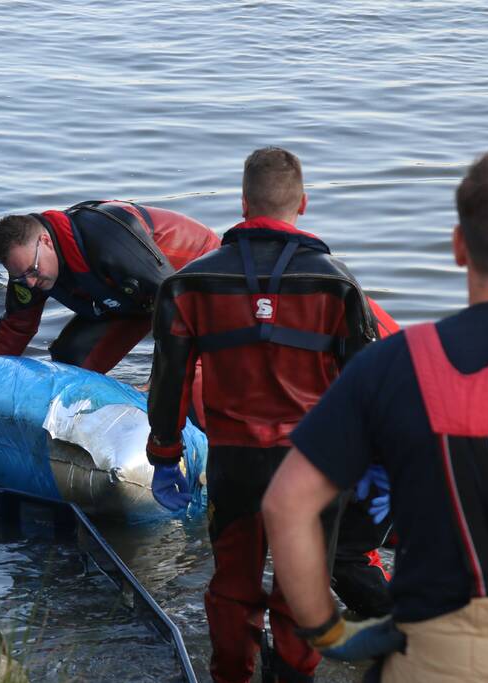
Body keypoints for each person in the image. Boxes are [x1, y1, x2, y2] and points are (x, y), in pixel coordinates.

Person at [263, 149, 488, 682]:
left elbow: (286, 505)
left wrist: (328, 632)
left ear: (458, 247)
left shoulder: (390, 365)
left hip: (431, 654)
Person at [145, 147, 398, 683]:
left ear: (243, 203)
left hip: (235, 464)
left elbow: (168, 381)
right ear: (302, 203)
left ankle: (233, 674)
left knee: (232, 586)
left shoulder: (188, 283)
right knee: (300, 587)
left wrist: (165, 454)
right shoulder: (338, 283)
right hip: (313, 469)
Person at [0, 200, 221, 373]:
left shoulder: (107, 239)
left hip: (193, 279)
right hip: (131, 297)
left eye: (32, 271)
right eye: (19, 277)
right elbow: (16, 327)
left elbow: (176, 305)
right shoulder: (28, 268)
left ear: (46, 241)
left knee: (184, 382)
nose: (29, 282)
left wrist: (159, 379)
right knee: (70, 361)